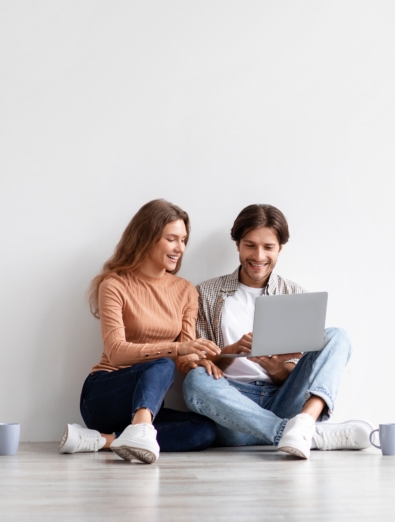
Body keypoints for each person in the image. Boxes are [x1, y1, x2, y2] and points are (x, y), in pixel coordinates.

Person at [182, 204, 371, 459]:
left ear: (280, 249)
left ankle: (305, 421)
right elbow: (201, 364)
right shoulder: (205, 294)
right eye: (250, 245)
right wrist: (228, 353)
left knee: (338, 335)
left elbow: (298, 375)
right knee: (195, 381)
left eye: (268, 247)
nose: (259, 256)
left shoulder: (294, 295)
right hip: (235, 411)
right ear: (237, 244)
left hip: (284, 399)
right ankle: (306, 434)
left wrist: (276, 369)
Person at [58, 199, 221, 464]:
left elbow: (183, 357)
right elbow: (117, 352)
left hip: (146, 404)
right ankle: (140, 429)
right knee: (161, 365)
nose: (180, 248)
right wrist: (177, 349)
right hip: (105, 394)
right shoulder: (115, 284)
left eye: (184, 240)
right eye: (172, 239)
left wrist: (206, 358)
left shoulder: (186, 291)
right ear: (147, 237)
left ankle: (104, 440)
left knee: (204, 431)